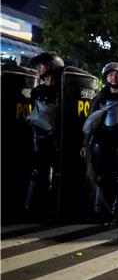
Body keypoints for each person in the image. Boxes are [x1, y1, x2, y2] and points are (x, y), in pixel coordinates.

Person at [81, 62, 118, 222]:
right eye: (110, 74)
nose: (114, 77)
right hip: (102, 141)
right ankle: (97, 211)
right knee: (101, 178)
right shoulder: (100, 97)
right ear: (106, 77)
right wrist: (85, 143)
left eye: (117, 75)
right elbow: (89, 122)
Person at [25, 52, 65, 218]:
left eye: (42, 64)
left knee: (56, 173)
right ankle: (33, 208)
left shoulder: (63, 90)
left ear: (51, 67)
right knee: (37, 172)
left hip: (56, 137)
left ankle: (53, 208)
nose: (39, 68)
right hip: (39, 136)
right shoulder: (37, 91)